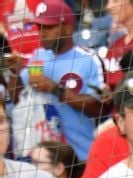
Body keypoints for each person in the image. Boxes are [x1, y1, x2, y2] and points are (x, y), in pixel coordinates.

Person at [18, 0, 108, 161]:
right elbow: (17, 95)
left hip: (82, 155)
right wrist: (14, 72)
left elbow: (100, 109)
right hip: (45, 157)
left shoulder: (90, 60)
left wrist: (56, 89)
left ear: (67, 28)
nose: (42, 33)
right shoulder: (38, 57)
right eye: (39, 27)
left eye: (48, 27)